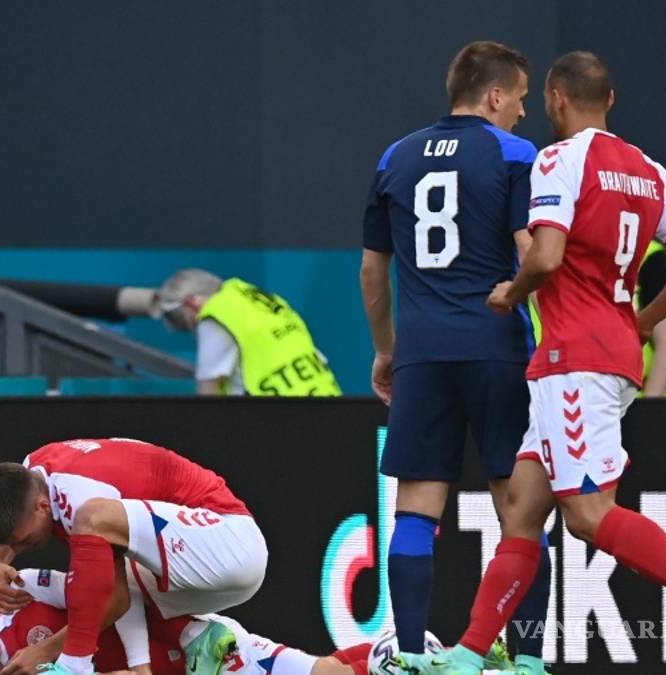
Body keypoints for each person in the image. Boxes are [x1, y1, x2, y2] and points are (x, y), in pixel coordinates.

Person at [415, 51, 666, 675]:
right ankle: (470, 655)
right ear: (611, 99)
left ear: (555, 99)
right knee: (521, 512)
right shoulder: (650, 171)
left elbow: (546, 256)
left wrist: (511, 293)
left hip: (576, 360)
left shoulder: (559, 160)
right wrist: (646, 320)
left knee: (588, 516)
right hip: (605, 355)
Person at [359, 40, 550, 674]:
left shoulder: (394, 156)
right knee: (520, 514)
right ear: (494, 95)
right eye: (519, 98)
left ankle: (411, 656)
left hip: (422, 355)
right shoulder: (514, 154)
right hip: (498, 349)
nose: (523, 111)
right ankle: (527, 661)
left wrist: (386, 351)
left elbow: (372, 271)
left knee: (415, 509)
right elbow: (530, 253)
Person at [0, 438, 268, 675]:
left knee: (93, 533)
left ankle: (74, 666)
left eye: (23, 541)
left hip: (230, 543)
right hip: (197, 560)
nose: (24, 548)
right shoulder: (30, 474)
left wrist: (47, 650)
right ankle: (197, 638)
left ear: (42, 507)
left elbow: (114, 601)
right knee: (98, 572)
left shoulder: (82, 500)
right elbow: (118, 594)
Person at [0, 567, 377, 675]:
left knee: (327, 673)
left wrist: (48, 648)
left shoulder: (16, 595)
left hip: (200, 647)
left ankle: (406, 652)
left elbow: (113, 591)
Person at [154, 269, 341, 396]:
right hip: (329, 400)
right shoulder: (256, 300)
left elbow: (208, 392)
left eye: (181, 319)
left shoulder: (216, 314)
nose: (191, 328)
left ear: (191, 303)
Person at [636, 241, 666, 397]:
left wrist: (651, 405)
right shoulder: (577, 256)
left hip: (643, 398)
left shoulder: (650, 257)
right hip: (596, 399)